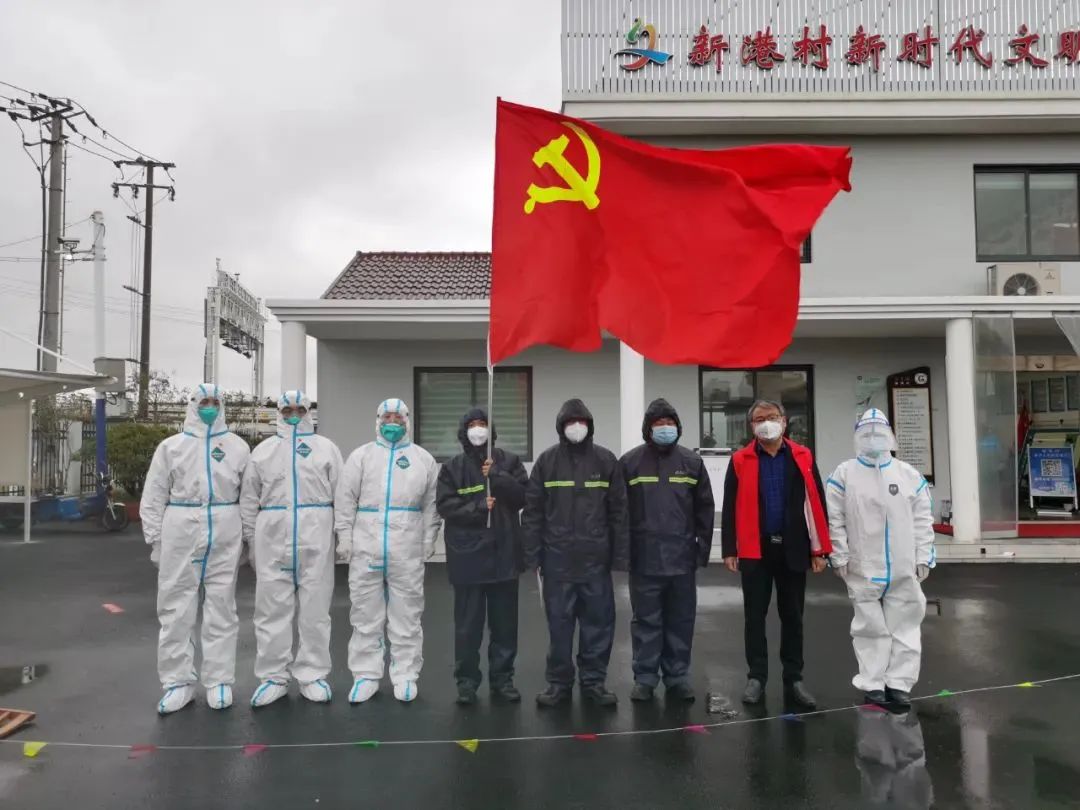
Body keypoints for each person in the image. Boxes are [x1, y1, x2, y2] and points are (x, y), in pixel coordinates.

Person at [141, 383, 251, 714]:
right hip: (181, 525)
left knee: (222, 604)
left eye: (215, 402)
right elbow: (154, 494)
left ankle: (219, 680)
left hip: (225, 524)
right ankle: (178, 682)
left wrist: (248, 537)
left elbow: (249, 495)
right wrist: (155, 539)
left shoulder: (237, 447)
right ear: (192, 405)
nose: (209, 407)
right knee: (176, 606)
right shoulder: (171, 447)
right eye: (203, 402)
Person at [720, 399, 831, 710]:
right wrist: (729, 548)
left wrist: (820, 549)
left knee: (792, 616)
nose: (766, 423)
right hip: (755, 549)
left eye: (771, 417)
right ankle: (756, 676)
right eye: (759, 419)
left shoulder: (802, 456)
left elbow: (816, 501)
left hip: (794, 547)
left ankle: (794, 678)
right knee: (754, 616)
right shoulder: (740, 459)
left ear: (784, 420)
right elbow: (729, 506)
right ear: (751, 426)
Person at [522, 398, 629, 708]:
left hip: (596, 562)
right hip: (557, 562)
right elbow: (533, 512)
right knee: (559, 626)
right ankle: (559, 684)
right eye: (571, 422)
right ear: (561, 426)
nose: (576, 427)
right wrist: (532, 555)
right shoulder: (547, 462)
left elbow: (619, 511)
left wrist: (619, 556)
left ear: (590, 426)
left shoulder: (606, 461)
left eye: (582, 421)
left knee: (598, 625)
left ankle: (594, 682)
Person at [826, 409, 935, 708]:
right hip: (862, 565)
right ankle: (872, 682)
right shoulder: (844, 474)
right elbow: (835, 519)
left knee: (906, 626)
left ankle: (899, 683)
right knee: (869, 628)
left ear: (889, 435)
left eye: (878, 432)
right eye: (867, 433)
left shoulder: (907, 474)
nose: (873, 438)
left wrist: (924, 555)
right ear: (856, 436)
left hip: (903, 565)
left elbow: (923, 518)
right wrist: (839, 554)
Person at [240, 390, 343, 708]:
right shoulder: (263, 451)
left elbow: (342, 494)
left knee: (315, 609)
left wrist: (343, 535)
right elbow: (248, 498)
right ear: (279, 413)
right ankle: (273, 677)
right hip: (272, 533)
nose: (294, 415)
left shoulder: (326, 448)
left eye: (300, 409)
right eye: (287, 410)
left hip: (316, 532)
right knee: (271, 610)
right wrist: (250, 538)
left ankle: (313, 675)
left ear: (309, 412)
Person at [334, 398, 439, 704]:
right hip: (366, 545)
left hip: (406, 546)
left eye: (398, 417)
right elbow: (345, 499)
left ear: (408, 420)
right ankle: (365, 674)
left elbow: (431, 504)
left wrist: (429, 538)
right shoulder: (361, 456)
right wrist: (345, 537)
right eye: (387, 417)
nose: (393, 422)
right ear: (378, 420)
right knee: (365, 613)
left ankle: (405, 674)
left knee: (407, 613)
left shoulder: (422, 459)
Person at [619, 399, 714, 703]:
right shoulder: (630, 463)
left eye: (669, 423)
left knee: (680, 620)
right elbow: (620, 512)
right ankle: (645, 678)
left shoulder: (692, 462)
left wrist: (701, 550)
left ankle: (677, 677)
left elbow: (705, 509)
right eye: (658, 423)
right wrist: (624, 553)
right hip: (644, 559)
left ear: (678, 426)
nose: (664, 428)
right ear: (648, 428)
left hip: (681, 558)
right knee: (646, 621)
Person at [435, 407, 528, 705]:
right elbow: (445, 506)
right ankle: (466, 682)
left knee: (505, 626)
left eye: (483, 424)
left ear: (491, 430)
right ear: (464, 432)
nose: (478, 429)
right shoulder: (452, 469)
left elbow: (523, 497)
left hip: (503, 556)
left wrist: (497, 476)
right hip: (468, 559)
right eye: (473, 425)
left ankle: (503, 680)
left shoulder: (509, 462)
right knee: (467, 627)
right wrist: (477, 508)